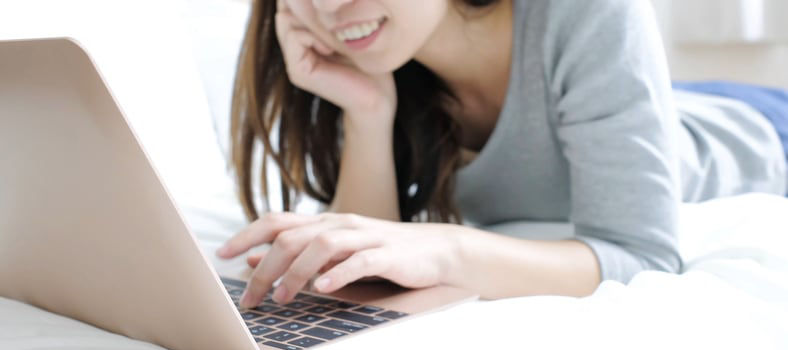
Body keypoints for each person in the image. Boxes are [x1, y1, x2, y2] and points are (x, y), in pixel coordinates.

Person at [216, 0, 788, 308]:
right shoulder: (385, 65)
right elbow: (360, 250)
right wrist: (367, 113)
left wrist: (448, 249)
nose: (329, 4)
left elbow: (642, 252)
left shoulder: (586, 11)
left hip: (756, 128)